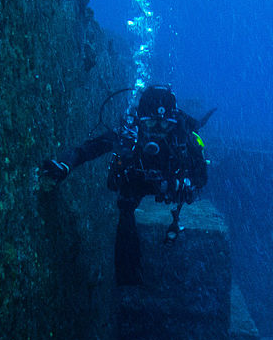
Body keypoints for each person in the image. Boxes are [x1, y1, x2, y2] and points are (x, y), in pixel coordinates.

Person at [40, 85, 211, 285]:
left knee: (133, 205)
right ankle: (128, 275)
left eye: (164, 125)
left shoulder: (184, 138)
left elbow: (202, 177)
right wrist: (64, 166)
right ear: (140, 120)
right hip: (136, 180)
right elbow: (86, 150)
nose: (157, 131)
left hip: (169, 184)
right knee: (126, 209)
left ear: (173, 123)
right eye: (150, 124)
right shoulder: (129, 134)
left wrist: (183, 184)